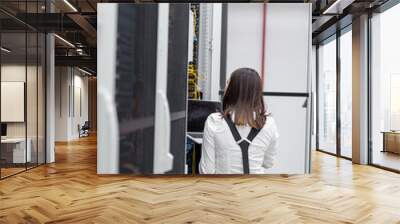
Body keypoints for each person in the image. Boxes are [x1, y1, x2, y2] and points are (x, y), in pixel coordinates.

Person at [199, 68, 279, 174]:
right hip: (256, 189)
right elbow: (268, 163)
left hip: (223, 189)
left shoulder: (214, 121)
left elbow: (206, 171)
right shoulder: (269, 124)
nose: (225, 88)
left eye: (228, 84)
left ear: (233, 90)